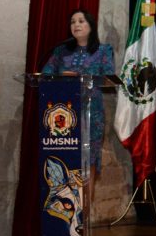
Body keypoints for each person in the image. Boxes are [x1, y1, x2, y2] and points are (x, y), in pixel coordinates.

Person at [41, 9, 116, 172]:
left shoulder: (104, 50)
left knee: (87, 163)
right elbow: (45, 73)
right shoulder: (61, 51)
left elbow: (109, 77)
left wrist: (82, 76)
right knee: (64, 161)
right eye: (73, 22)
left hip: (91, 113)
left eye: (81, 21)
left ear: (91, 25)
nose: (76, 25)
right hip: (62, 113)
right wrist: (59, 75)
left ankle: (85, 198)